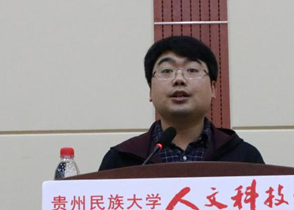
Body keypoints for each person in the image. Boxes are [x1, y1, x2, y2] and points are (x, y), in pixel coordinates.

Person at [98, 36, 264, 171]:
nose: (179, 79)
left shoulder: (245, 158)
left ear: (213, 88)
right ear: (150, 91)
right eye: (166, 71)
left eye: (192, 70)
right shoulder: (121, 160)